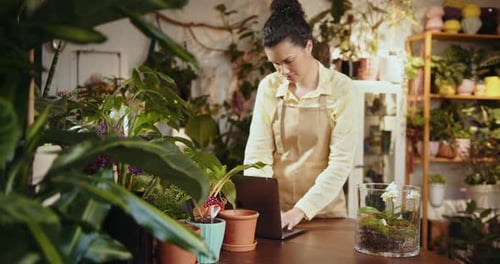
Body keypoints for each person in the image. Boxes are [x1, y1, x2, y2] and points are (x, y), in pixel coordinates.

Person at [244, 0, 359, 230]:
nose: (283, 71)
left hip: (326, 215)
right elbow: (257, 155)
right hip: (277, 213)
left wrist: (300, 210)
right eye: (276, 64)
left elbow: (340, 164)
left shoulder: (341, 88)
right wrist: (266, 207)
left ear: (308, 46)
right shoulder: (269, 87)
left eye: (288, 61)